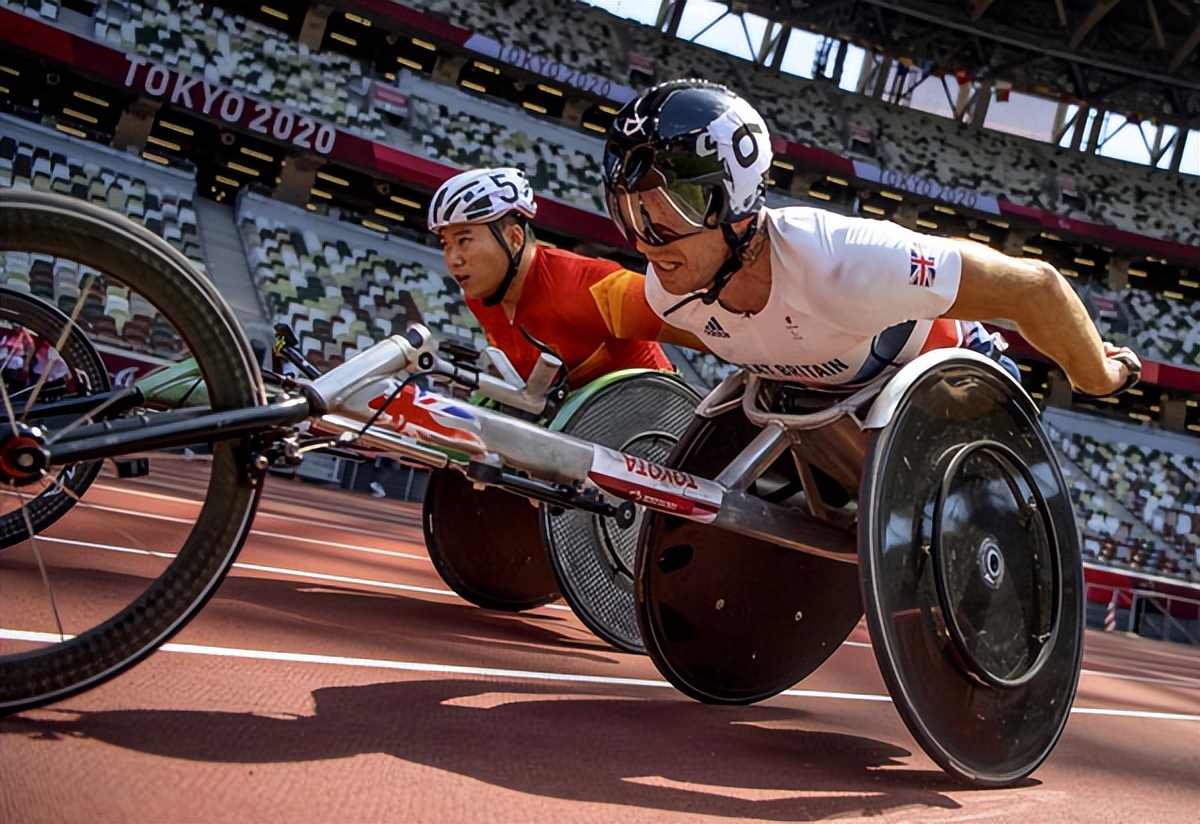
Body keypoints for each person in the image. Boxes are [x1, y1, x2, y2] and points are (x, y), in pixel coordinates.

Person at [600, 79, 1141, 398]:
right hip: (831, 403)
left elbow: (1035, 287)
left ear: (734, 202)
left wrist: (1101, 376)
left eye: (666, 210)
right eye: (626, 212)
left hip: (951, 383)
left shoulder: (846, 266)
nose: (644, 241)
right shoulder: (668, 294)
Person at [427, 167, 703, 391]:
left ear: (514, 238)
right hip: (572, 436)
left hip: (654, 430)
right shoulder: (479, 296)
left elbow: (709, 326)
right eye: (446, 244)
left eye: (463, 240)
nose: (453, 259)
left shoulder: (592, 287)